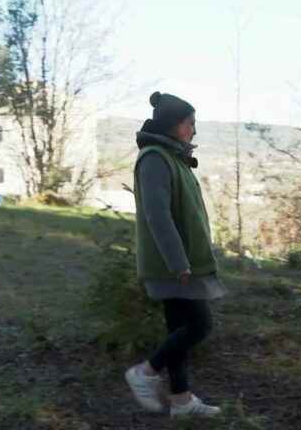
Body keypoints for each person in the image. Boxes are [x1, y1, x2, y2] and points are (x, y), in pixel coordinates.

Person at [124, 91, 228, 418]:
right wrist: (178, 262)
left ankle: (181, 401)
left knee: (178, 330)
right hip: (174, 265)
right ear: (174, 125)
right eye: (190, 123)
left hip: (180, 262)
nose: (194, 130)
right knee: (199, 326)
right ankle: (144, 372)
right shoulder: (155, 158)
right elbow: (158, 216)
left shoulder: (172, 157)